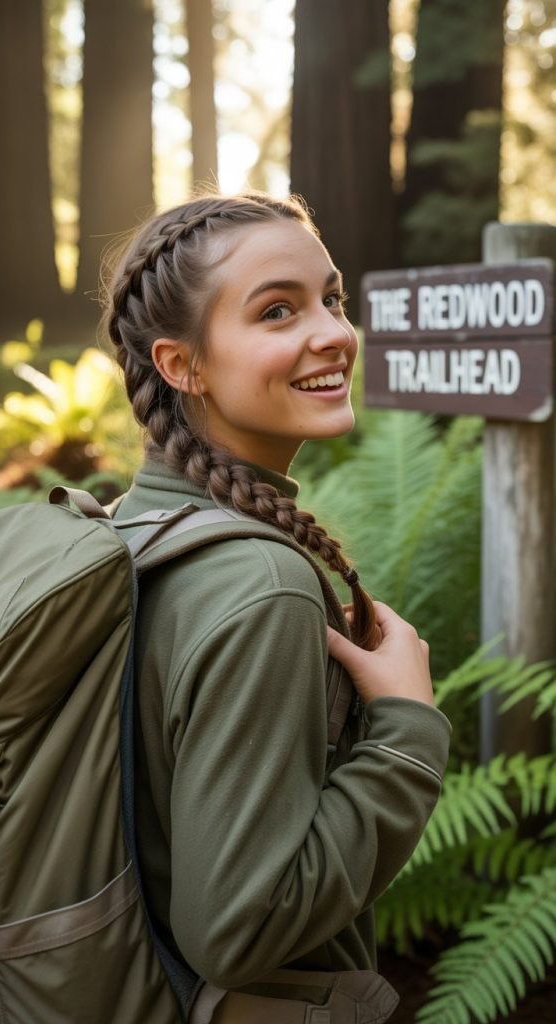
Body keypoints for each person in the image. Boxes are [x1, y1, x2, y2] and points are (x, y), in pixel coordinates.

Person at [103, 190, 451, 1022]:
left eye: (330, 298)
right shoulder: (260, 587)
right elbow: (240, 928)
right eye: (277, 312)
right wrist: (406, 727)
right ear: (182, 365)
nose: (333, 332)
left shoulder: (130, 526)